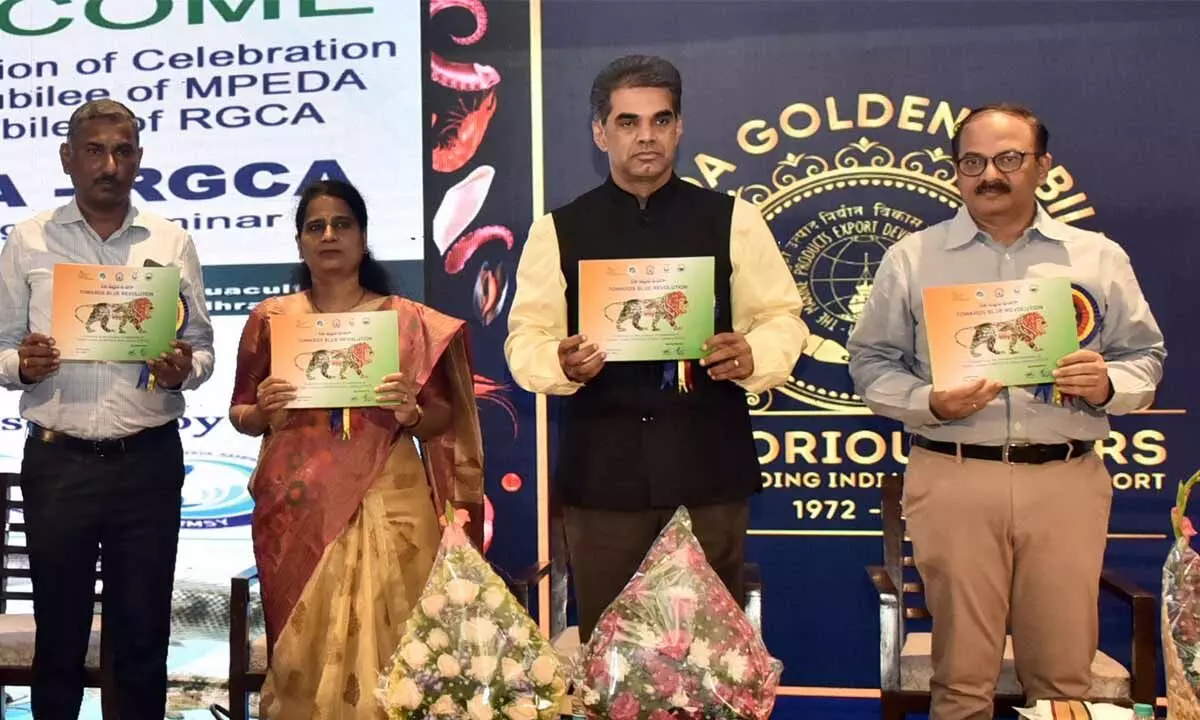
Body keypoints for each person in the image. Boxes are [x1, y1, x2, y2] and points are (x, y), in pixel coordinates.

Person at [847, 104, 1166, 719]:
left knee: (1062, 679)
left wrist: (1106, 384)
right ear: (956, 172)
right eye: (972, 162)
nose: (989, 174)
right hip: (954, 472)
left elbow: (1145, 358)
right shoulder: (914, 257)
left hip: (1065, 479)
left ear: (1042, 166)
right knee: (962, 681)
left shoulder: (1097, 257)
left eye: (1009, 158)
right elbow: (870, 363)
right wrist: (927, 401)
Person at [504, 55, 808, 642]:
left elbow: (780, 317)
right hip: (603, 479)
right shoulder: (558, 229)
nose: (646, 136)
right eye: (627, 122)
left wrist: (753, 354)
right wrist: (559, 363)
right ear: (600, 131)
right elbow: (526, 338)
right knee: (613, 656)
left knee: (711, 656)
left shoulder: (733, 220)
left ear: (679, 127)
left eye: (660, 120)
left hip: (709, 473)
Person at [228, 179, 485, 719]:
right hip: (299, 504)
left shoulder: (406, 321)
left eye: (342, 224)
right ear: (299, 242)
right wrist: (265, 413)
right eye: (314, 226)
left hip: (391, 498)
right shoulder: (272, 320)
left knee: (400, 642)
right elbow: (241, 413)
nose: (328, 235)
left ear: (364, 238)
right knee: (305, 651)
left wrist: (410, 413)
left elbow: (441, 415)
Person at [0, 99, 215, 719]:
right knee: (59, 638)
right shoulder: (30, 238)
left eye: (122, 151)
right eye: (94, 150)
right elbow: (2, 347)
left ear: (139, 161)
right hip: (58, 464)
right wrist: (22, 365)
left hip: (146, 463)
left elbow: (201, 350)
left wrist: (184, 368)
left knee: (143, 638)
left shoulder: (172, 242)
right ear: (68, 158)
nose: (109, 164)